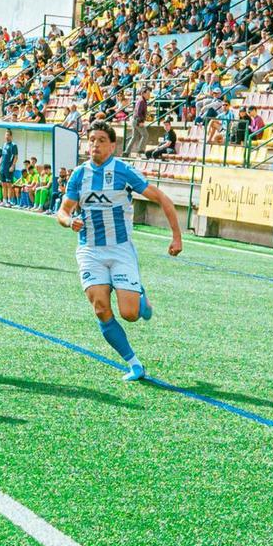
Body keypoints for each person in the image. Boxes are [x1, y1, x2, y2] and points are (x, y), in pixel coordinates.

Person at [56, 119, 182, 384]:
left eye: (101, 140)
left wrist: (176, 237)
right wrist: (69, 221)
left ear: (112, 146)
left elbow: (162, 198)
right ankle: (135, 364)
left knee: (130, 314)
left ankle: (141, 298)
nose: (95, 145)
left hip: (120, 250)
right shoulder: (79, 175)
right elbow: (63, 211)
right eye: (91, 140)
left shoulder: (124, 171)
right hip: (89, 250)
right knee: (100, 308)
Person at [0, 128, 18, 204]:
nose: (7, 136)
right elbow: (2, 157)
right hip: (3, 167)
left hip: (9, 167)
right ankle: (4, 200)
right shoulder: (4, 144)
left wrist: (12, 166)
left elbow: (16, 156)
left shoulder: (13, 145)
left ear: (11, 136)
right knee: (3, 184)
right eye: (6, 135)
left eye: (8, 135)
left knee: (9, 184)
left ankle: (9, 200)